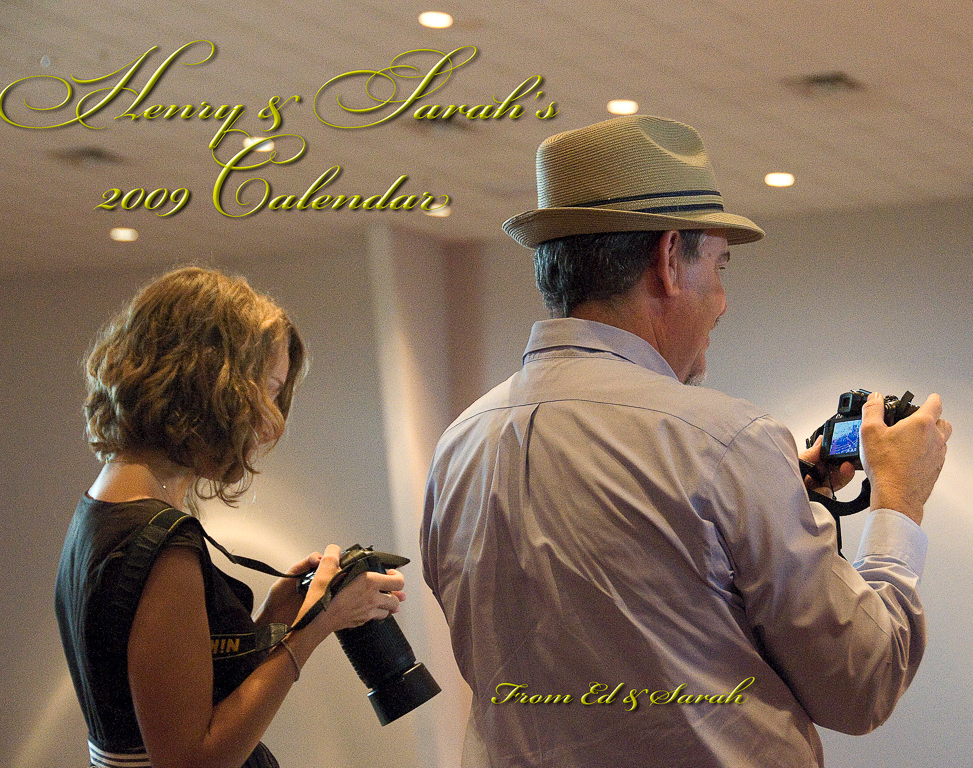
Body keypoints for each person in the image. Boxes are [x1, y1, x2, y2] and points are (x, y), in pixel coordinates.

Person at [420, 116, 952, 767]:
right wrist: (900, 501)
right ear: (670, 260)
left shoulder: (459, 447)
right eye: (719, 264)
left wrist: (785, 497)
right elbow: (861, 684)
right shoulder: (725, 442)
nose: (723, 301)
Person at [56, 267, 406, 768]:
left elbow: (176, 704)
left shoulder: (101, 511)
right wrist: (315, 629)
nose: (270, 420)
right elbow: (191, 761)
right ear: (207, 383)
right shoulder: (159, 544)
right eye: (265, 389)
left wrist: (278, 617)